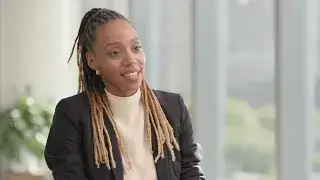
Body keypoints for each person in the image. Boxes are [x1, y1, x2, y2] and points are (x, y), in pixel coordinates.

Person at [44, 8, 205, 180]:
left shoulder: (173, 108)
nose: (131, 60)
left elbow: (191, 171)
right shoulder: (72, 114)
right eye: (115, 53)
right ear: (92, 61)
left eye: (136, 48)